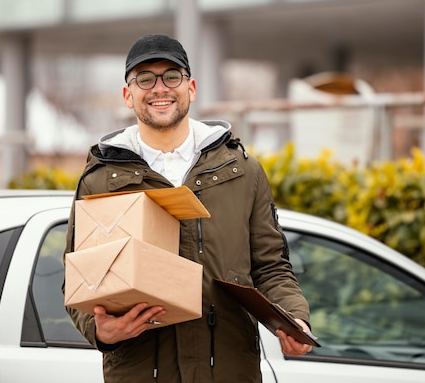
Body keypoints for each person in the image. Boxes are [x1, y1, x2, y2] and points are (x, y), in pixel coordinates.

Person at [65, 33, 312, 383]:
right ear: (128, 95)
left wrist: (294, 318)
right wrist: (101, 331)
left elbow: (271, 266)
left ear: (191, 88)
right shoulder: (100, 179)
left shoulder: (242, 172)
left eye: (172, 76)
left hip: (228, 372)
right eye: (145, 79)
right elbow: (78, 278)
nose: (159, 88)